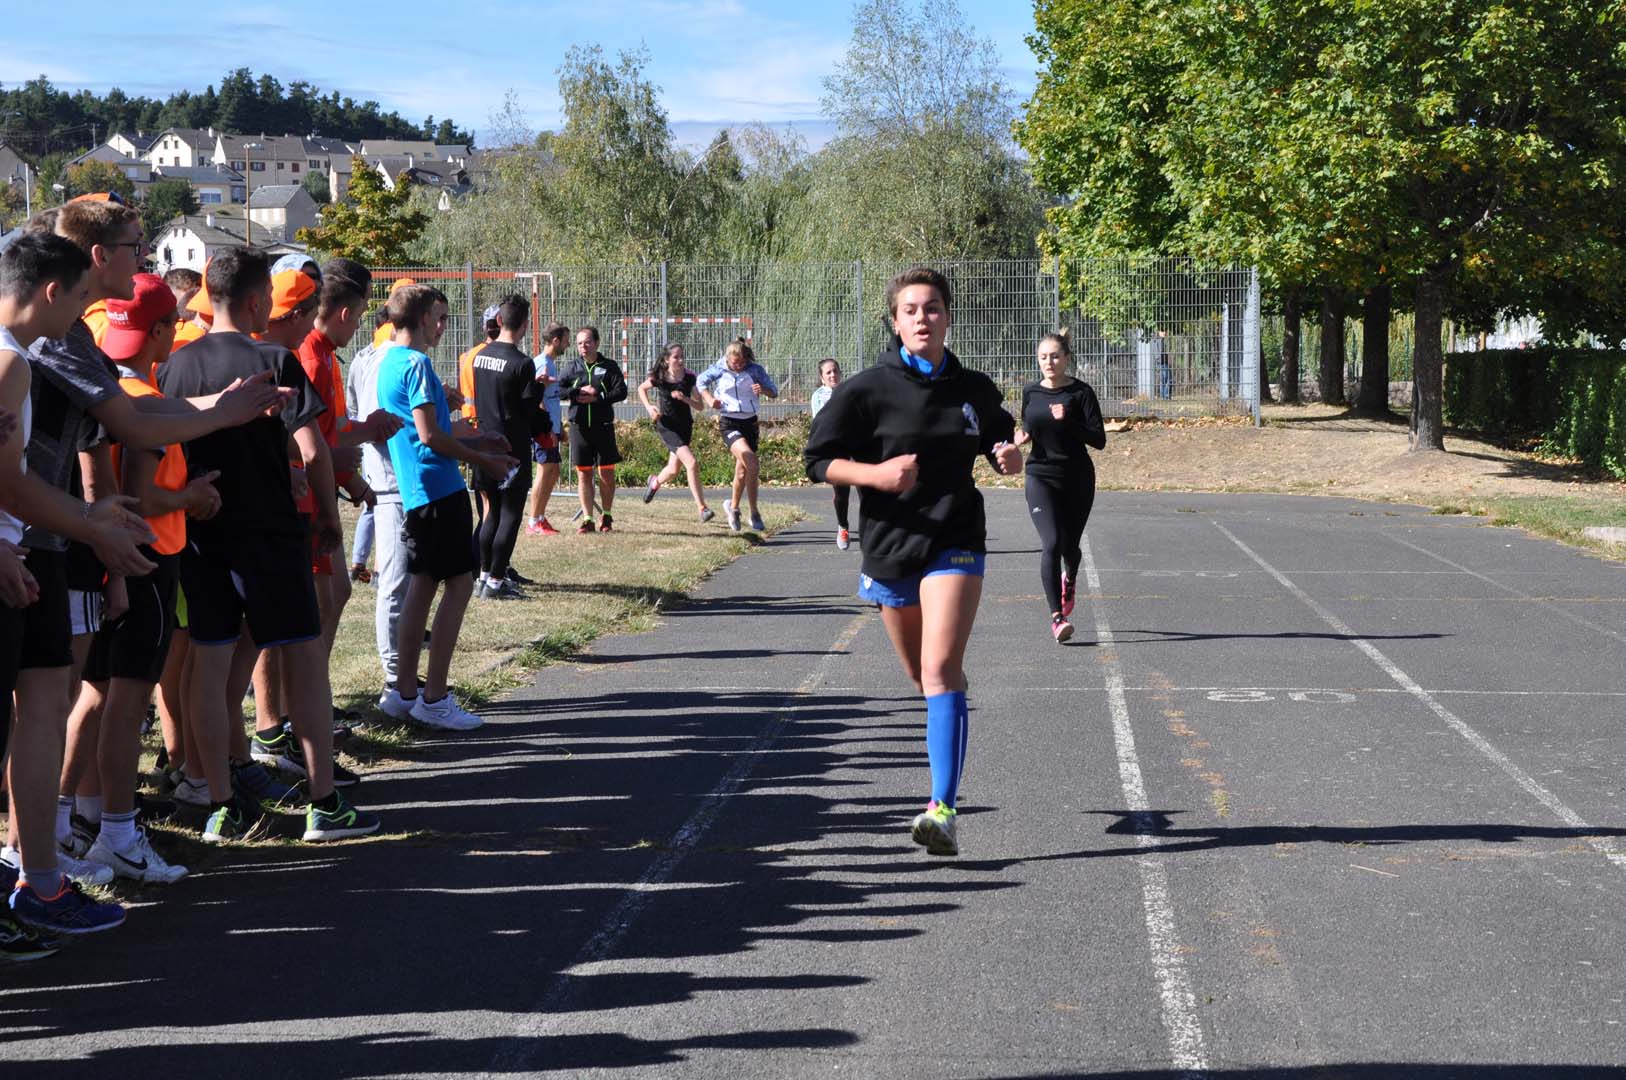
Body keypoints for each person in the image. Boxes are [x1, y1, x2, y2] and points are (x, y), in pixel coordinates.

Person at [156, 245, 380, 843]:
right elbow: (310, 449)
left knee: (209, 663)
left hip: (205, 536)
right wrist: (328, 519)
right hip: (272, 535)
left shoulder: (175, 365)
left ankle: (219, 801)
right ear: (258, 301)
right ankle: (323, 803)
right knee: (305, 663)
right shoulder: (275, 357)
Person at [804, 267, 1021, 858]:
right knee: (921, 677)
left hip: (956, 537)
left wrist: (1008, 457)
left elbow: (1002, 438)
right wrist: (875, 474)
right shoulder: (867, 389)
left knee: (941, 669)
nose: (923, 318)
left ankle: (942, 809)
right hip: (889, 543)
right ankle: (948, 713)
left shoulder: (974, 388)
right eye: (911, 310)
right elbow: (818, 460)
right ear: (895, 321)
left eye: (933, 308)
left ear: (949, 317)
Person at [63, 273, 222, 883]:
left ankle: (80, 818)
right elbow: (139, 495)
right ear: (160, 331)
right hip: (144, 560)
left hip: (114, 559)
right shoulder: (135, 396)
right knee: (123, 704)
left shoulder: (105, 375)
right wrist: (195, 495)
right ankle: (116, 832)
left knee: (93, 696)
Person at [0, 231, 133, 940]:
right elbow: (10, 483)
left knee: (41, 706)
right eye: (82, 298)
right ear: (54, 291)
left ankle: (36, 881)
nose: (83, 316)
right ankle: (35, 885)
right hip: (23, 555)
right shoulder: (10, 366)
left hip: (26, 554)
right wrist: (93, 526)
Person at [374, 285, 515, 730]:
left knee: (421, 588)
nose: (443, 326)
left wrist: (477, 435)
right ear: (418, 319)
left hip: (419, 493)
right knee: (458, 585)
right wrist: (484, 459)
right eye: (439, 317)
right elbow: (430, 437)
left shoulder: (387, 362)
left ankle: (404, 692)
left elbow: (429, 428)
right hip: (438, 489)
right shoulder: (415, 363)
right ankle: (434, 698)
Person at [1012, 330, 1106, 643]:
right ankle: (1057, 617)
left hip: (1077, 477)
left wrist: (1069, 422)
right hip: (1040, 475)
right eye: (1043, 357)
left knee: (1069, 548)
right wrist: (1021, 437)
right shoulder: (1030, 392)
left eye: (1055, 356)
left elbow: (1099, 440)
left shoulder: (1081, 393)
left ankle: (1071, 577)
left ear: (1066, 358)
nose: (1049, 362)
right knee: (1051, 543)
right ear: (1037, 360)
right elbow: (1028, 426)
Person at [471, 295, 546, 599]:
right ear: (525, 325)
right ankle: (497, 582)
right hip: (512, 448)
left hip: (482, 444)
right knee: (510, 514)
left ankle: (483, 575)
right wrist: (540, 394)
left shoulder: (479, 357)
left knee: (490, 514)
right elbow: (528, 410)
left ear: (499, 321)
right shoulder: (522, 363)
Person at [698, 339, 777, 533]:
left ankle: (738, 509)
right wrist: (710, 399)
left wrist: (762, 389)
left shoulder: (755, 370)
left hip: (750, 422)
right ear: (728, 359)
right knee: (752, 462)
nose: (738, 366)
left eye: (742, 362)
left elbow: (773, 392)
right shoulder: (720, 368)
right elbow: (700, 381)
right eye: (735, 363)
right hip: (729, 422)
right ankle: (752, 512)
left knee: (743, 471)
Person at [557, 326, 626, 533]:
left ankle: (607, 515)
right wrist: (575, 392)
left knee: (606, 473)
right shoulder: (572, 367)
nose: (583, 347)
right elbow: (558, 390)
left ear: (596, 343)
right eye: (579, 343)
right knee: (583, 474)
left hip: (603, 427)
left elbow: (621, 391)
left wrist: (599, 397)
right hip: (579, 428)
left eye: (587, 342)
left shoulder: (609, 366)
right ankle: (588, 518)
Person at [638, 343, 712, 522]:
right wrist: (649, 408)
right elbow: (642, 389)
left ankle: (654, 482)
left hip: (685, 426)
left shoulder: (689, 377)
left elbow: (700, 406)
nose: (680, 360)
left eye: (681, 356)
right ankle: (702, 508)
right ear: (666, 360)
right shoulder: (660, 377)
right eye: (676, 357)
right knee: (692, 463)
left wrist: (685, 398)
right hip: (666, 425)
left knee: (673, 469)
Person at [525, 321, 568, 536]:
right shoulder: (541, 363)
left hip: (551, 427)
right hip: (543, 428)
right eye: (566, 341)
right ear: (555, 341)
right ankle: (533, 521)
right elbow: (538, 398)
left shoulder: (550, 363)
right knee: (544, 470)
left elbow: (551, 400)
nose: (567, 346)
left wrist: (559, 427)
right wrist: (547, 427)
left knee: (554, 470)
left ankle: (540, 516)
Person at [809, 358, 850, 549]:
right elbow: (823, 422)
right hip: (834, 447)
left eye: (835, 371)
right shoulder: (819, 396)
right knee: (842, 491)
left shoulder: (849, 391)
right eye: (828, 373)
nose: (833, 375)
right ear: (822, 378)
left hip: (855, 444)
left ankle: (872, 528)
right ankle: (843, 526)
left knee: (867, 488)